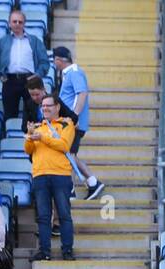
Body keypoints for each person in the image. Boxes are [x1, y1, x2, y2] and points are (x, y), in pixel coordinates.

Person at [24, 93, 75, 261]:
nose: (45, 108)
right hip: (40, 174)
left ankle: (67, 250)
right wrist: (30, 136)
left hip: (60, 174)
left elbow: (64, 145)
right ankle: (44, 251)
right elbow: (29, 150)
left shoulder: (66, 124)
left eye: (48, 105)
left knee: (64, 214)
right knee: (43, 216)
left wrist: (43, 137)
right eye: (43, 106)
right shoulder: (38, 127)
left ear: (57, 107)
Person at [52, 47, 107, 200]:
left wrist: (73, 117)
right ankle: (91, 183)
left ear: (58, 60)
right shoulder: (71, 73)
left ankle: (76, 189)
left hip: (73, 124)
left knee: (68, 155)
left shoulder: (74, 72)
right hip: (70, 123)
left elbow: (82, 93)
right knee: (69, 154)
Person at [0, 9, 50, 131]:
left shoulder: (34, 41)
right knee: (9, 113)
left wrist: (37, 76)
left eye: (20, 22)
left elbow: (44, 62)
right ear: (9, 23)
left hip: (30, 80)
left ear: (24, 23)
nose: (17, 24)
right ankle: (10, 142)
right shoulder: (3, 41)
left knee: (33, 113)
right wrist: (0, 75)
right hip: (9, 80)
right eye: (14, 21)